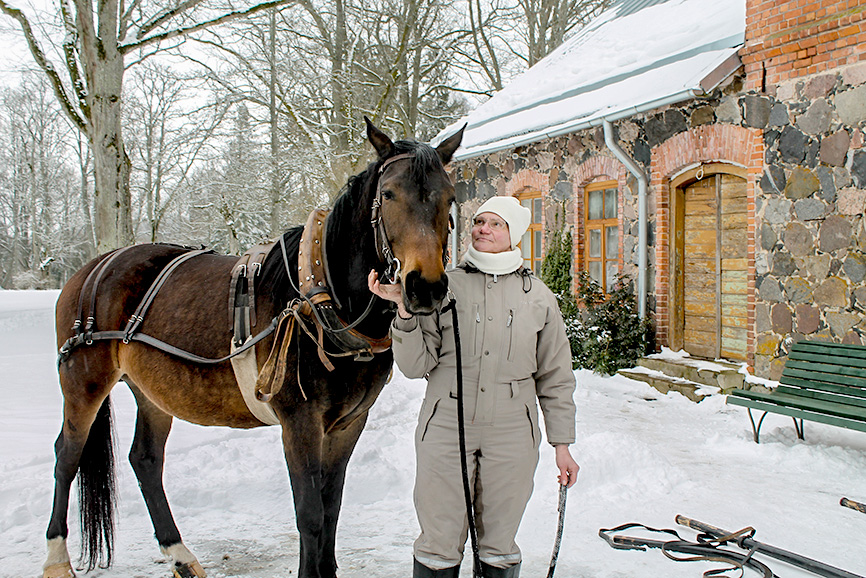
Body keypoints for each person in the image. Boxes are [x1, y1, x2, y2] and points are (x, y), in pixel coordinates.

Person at [368, 195, 579, 578]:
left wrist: (561, 444)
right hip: (446, 425)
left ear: (514, 234)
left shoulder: (539, 298)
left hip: (514, 430)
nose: (483, 228)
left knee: (499, 543)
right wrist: (403, 310)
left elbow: (555, 376)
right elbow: (416, 366)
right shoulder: (444, 287)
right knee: (439, 541)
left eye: (496, 224)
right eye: (479, 221)